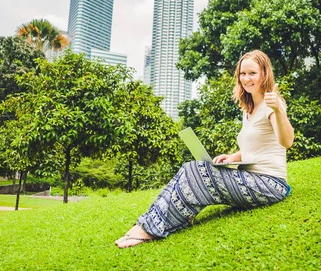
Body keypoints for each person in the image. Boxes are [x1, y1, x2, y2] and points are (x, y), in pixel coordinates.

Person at [115, 50, 294, 248]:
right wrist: (231, 157)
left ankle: (148, 230)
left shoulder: (272, 105)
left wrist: (277, 110)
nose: (246, 78)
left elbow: (286, 141)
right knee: (188, 168)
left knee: (198, 171)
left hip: (270, 185)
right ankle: (147, 223)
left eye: (252, 73)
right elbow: (257, 148)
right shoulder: (249, 109)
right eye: (242, 74)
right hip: (252, 178)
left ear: (264, 74)